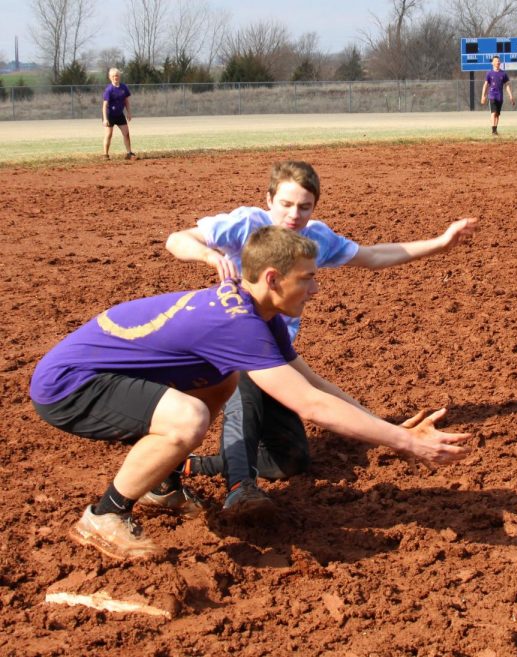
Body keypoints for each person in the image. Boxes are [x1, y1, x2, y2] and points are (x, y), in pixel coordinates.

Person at [30, 226, 472, 560]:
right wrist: (406, 444)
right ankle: (105, 514)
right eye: (308, 279)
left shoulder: (260, 314)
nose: (316, 289)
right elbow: (311, 405)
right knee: (188, 419)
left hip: (100, 373)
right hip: (68, 385)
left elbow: (313, 382)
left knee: (223, 379)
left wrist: (387, 427)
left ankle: (161, 484)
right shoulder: (238, 325)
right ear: (274, 278)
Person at [165, 161, 479, 513]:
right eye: (285, 204)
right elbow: (177, 239)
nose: (294, 215)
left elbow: (373, 256)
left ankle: (185, 465)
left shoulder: (315, 238)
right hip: (235, 348)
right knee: (247, 380)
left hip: (277, 354)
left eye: (304, 206)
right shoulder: (247, 225)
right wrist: (208, 254)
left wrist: (441, 242)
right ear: (268, 199)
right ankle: (240, 487)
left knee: (290, 462)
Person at [102, 68, 136, 160]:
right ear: (110, 77)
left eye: (116, 75)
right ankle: (105, 154)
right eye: (113, 76)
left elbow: (126, 102)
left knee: (126, 133)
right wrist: (105, 119)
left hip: (120, 114)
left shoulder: (123, 87)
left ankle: (129, 153)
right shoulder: (109, 90)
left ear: (119, 76)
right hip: (110, 115)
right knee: (109, 134)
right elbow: (104, 105)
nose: (115, 77)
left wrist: (129, 113)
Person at [480, 56, 515, 136]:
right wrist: (483, 96)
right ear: (492, 63)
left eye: (499, 61)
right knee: (493, 112)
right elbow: (486, 85)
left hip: (500, 96)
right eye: (496, 61)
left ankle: (495, 130)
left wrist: (511, 96)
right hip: (492, 95)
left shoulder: (503, 73)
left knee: (497, 114)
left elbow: (507, 85)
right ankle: (493, 131)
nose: (498, 62)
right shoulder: (489, 73)